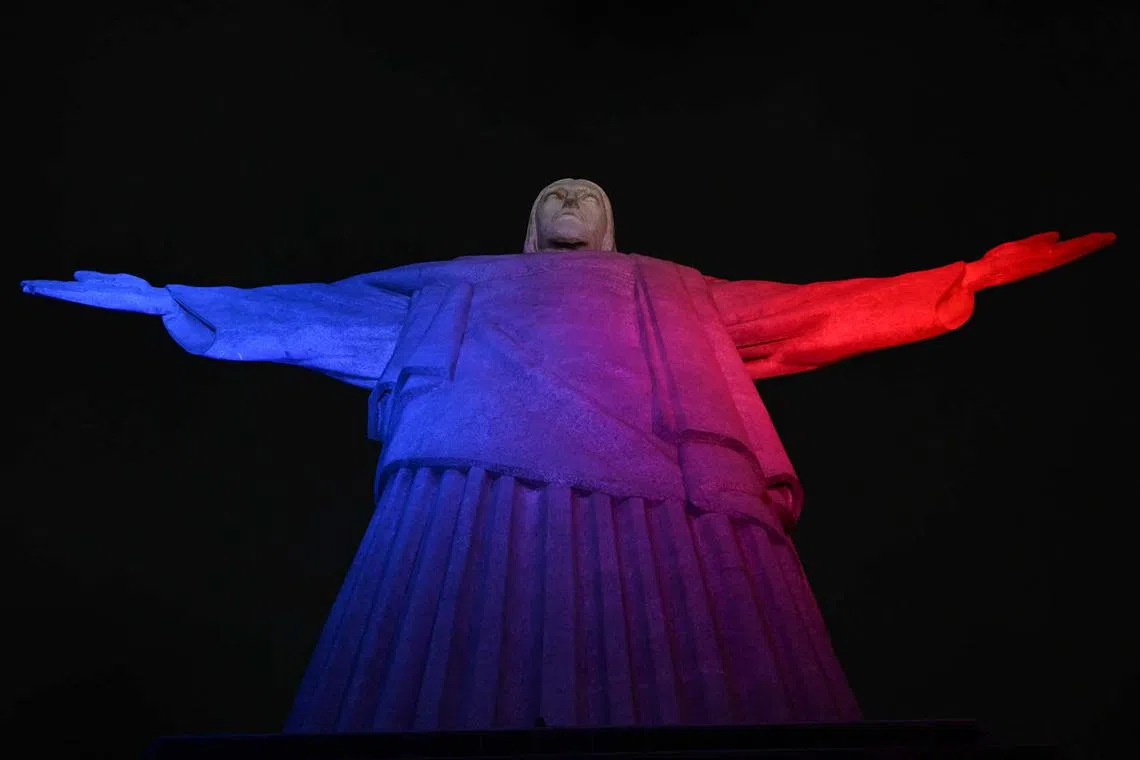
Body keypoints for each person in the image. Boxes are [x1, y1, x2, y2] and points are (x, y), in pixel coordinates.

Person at [21, 178, 1115, 731]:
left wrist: (956, 281)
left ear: (612, 218)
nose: (568, 203)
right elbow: (324, 309)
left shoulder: (676, 287)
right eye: (552, 194)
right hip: (475, 478)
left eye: (584, 193)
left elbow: (811, 312)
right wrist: (173, 299)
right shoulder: (460, 278)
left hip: (673, 480)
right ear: (528, 219)